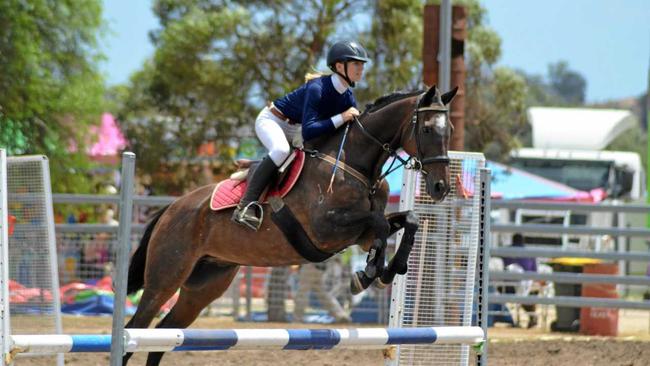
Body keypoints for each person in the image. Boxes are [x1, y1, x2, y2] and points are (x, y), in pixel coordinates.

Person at [232, 40, 370, 231]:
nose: (361, 69)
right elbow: (309, 130)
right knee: (281, 150)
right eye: (356, 63)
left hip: (295, 129)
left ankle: (257, 166)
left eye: (362, 64)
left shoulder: (347, 97)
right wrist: (342, 117)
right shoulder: (317, 88)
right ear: (339, 66)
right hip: (273, 120)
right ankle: (245, 206)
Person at [293, 258, 351, 324]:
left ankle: (298, 318)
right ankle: (340, 315)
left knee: (302, 294)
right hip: (322, 268)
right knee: (324, 295)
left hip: (311, 265)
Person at [502, 233, 539, 328]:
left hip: (507, 286)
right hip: (527, 285)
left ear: (512, 240)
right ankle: (532, 315)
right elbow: (534, 271)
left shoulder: (505, 251)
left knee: (520, 295)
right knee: (528, 295)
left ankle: (524, 317)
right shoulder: (530, 253)